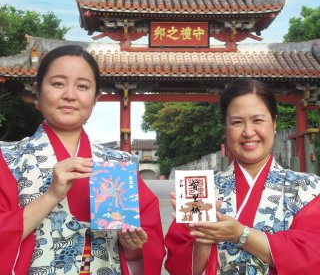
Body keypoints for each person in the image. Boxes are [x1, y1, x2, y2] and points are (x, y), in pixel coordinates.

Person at [0, 44, 165, 274]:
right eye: (58, 84)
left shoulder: (120, 165)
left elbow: (148, 248)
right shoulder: (7, 160)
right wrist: (51, 196)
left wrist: (132, 247)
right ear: (37, 90)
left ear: (96, 97)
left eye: (83, 86)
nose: (69, 95)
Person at [165, 78, 320, 275]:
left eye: (258, 120)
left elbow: (312, 256)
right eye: (237, 122)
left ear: (274, 123)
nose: (248, 132)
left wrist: (240, 234)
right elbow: (179, 269)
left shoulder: (309, 188)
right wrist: (204, 239)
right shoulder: (201, 188)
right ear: (225, 128)